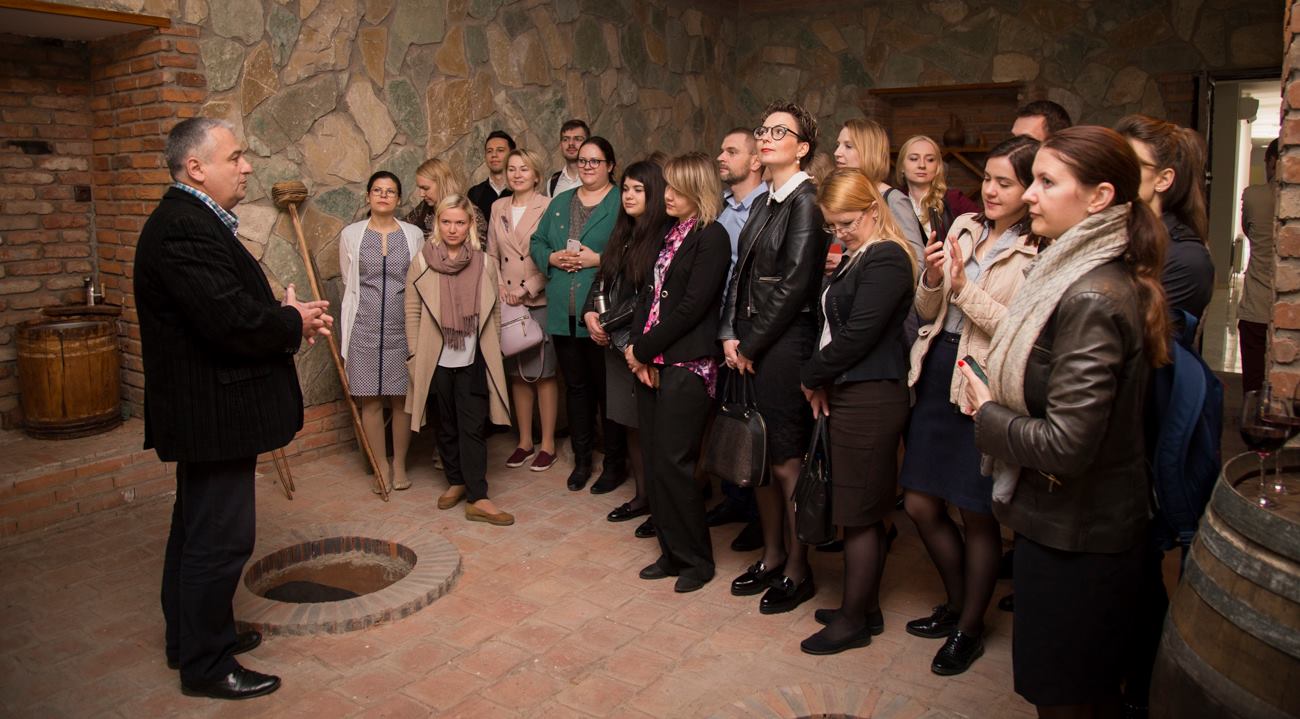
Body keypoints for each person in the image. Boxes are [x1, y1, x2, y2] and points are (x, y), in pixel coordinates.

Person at [959, 126, 1168, 717]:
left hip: (1081, 534)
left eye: (1048, 182)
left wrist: (989, 413)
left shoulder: (1091, 295)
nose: (1030, 194)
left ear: (1099, 197)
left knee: (1071, 698)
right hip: (1066, 521)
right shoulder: (1074, 274)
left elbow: (1068, 443)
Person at [136, 117, 332, 699]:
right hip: (212, 413)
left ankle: (193, 638)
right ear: (196, 168)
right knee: (218, 542)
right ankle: (206, 664)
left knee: (196, 530)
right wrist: (290, 321)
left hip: (209, 410)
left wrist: (280, 312)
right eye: (235, 157)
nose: (247, 167)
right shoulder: (183, 228)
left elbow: (223, 303)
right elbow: (228, 322)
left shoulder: (193, 222)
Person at [900, 136, 1043, 675]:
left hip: (983, 383)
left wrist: (962, 288)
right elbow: (927, 308)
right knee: (919, 502)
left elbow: (1019, 331)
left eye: (1005, 182)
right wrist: (934, 277)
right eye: (987, 179)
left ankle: (969, 626)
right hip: (936, 370)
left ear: (1030, 189)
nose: (991, 190)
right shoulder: (963, 226)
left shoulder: (1038, 251)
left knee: (977, 513)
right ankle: (959, 601)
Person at [797, 169, 915, 654]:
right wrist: (823, 378)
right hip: (853, 390)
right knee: (856, 508)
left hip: (872, 396)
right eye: (833, 225)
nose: (840, 232)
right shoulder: (860, 253)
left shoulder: (887, 256)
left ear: (872, 209)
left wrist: (810, 375)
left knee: (861, 514)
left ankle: (852, 622)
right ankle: (863, 607)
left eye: (847, 222)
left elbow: (858, 335)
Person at [721, 101, 829, 615]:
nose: (766, 137)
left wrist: (751, 345)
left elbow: (794, 287)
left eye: (779, 132)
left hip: (784, 345)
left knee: (786, 462)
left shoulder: (807, 202)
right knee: (758, 457)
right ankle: (771, 555)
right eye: (763, 130)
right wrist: (728, 333)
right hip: (749, 341)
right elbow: (741, 272)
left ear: (802, 147)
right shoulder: (765, 200)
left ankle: (798, 570)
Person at [628, 152, 733, 593]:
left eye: (676, 188)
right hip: (655, 361)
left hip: (688, 363)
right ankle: (671, 553)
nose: (666, 195)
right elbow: (649, 296)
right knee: (656, 461)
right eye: (667, 186)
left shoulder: (713, 237)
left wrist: (643, 350)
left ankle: (696, 562)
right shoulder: (671, 230)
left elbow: (692, 308)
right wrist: (638, 350)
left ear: (698, 190)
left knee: (676, 463)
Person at [406, 194, 514, 526]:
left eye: (459, 222)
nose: (453, 229)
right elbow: (412, 311)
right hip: (435, 358)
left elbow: (495, 312)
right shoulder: (422, 261)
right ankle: (456, 480)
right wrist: (415, 355)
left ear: (470, 225)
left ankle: (478, 496)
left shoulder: (484, 263)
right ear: (437, 223)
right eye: (446, 222)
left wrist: (492, 349)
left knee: (473, 426)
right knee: (445, 424)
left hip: (473, 358)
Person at [530, 137, 627, 493]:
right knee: (576, 389)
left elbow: (636, 250)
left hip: (602, 312)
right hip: (563, 310)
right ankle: (583, 460)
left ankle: (614, 465)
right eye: (583, 161)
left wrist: (598, 259)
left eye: (595, 161)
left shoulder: (621, 202)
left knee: (608, 391)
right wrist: (551, 258)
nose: (587, 166)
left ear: (610, 165)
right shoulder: (561, 202)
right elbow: (537, 242)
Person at [584, 160, 672, 536]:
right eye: (626, 189)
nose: (630, 196)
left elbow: (646, 300)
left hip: (643, 346)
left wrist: (605, 323)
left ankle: (662, 507)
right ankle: (643, 496)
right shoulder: (622, 232)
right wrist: (590, 313)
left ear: (655, 193)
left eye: (639, 189)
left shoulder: (664, 236)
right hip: (615, 345)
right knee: (630, 424)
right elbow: (601, 279)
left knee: (653, 430)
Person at [339, 171, 425, 492]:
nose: (383, 196)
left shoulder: (413, 234)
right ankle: (380, 465)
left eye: (390, 191)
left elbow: (420, 277)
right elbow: (349, 282)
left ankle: (399, 463)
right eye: (377, 190)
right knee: (370, 400)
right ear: (368, 196)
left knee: (401, 399)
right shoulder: (351, 235)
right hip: (364, 327)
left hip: (403, 328)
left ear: (399, 199)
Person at [708, 127, 769, 551]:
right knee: (729, 412)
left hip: (750, 330)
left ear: (755, 161)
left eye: (731, 151)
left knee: (755, 422)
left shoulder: (768, 208)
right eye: (722, 149)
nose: (721, 157)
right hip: (720, 327)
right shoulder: (722, 207)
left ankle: (761, 517)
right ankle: (735, 497)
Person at [489, 148, 559, 472]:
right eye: (512, 169)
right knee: (517, 374)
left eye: (524, 169)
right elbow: (491, 254)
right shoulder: (498, 207)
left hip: (538, 300)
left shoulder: (549, 206)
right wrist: (500, 288)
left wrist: (526, 288)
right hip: (507, 303)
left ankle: (548, 445)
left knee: (543, 373)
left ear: (536, 175)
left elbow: (552, 257)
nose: (517, 174)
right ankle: (524, 441)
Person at [1115, 114, 1214, 323]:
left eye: (1130, 163)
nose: (1113, 172)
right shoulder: (1116, 235)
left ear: (1162, 179)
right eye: (1114, 160)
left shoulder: (1187, 259)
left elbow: (1153, 337)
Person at [832, 118, 926, 267]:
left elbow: (917, 263)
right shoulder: (844, 196)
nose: (837, 153)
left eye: (848, 146)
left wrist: (847, 262)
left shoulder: (893, 200)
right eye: (838, 145)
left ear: (869, 152)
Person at [1239, 139, 1278, 393]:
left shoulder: (1254, 195)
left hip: (1256, 306)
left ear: (1272, 161)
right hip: (1287, 313)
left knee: (1252, 387)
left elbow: (1248, 231)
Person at [895, 135, 979, 244]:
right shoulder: (893, 200)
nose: (922, 165)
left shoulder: (954, 199)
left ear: (937, 167)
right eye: (914, 159)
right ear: (902, 166)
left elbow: (985, 225)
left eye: (930, 160)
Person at [407, 157, 488, 251]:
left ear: (442, 184)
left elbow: (478, 251)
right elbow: (403, 227)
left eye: (425, 188)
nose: (421, 194)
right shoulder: (424, 207)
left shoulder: (471, 212)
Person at [467, 130, 516, 220]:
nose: (494, 155)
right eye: (489, 151)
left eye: (500, 150)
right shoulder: (474, 193)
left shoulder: (520, 190)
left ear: (512, 154)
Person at [548, 119, 590, 197]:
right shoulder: (552, 183)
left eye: (577, 139)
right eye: (565, 139)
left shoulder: (595, 178)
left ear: (588, 143)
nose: (571, 143)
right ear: (561, 144)